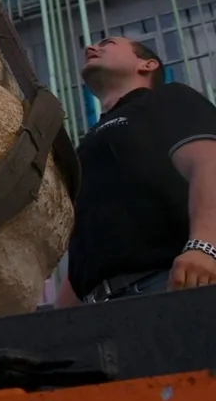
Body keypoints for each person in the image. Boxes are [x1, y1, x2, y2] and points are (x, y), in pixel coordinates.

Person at [55, 35, 216, 307]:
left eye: (107, 43)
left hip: (170, 284)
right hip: (96, 308)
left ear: (147, 65)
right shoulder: (88, 142)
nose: (90, 48)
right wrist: (60, 315)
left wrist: (205, 247)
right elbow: (87, 238)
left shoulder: (167, 98)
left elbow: (209, 163)